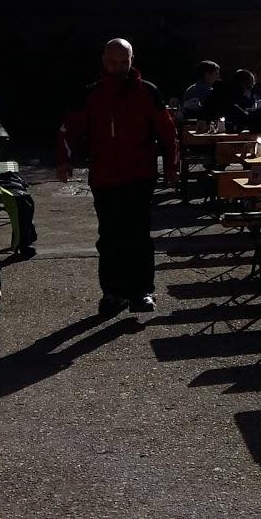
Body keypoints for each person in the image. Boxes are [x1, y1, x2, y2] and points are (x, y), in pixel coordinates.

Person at [57, 38, 178, 316]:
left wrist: (171, 166)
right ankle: (113, 292)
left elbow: (168, 132)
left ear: (132, 60)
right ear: (103, 61)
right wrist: (64, 160)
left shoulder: (148, 92)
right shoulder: (92, 94)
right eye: (113, 62)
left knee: (138, 235)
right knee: (110, 236)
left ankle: (142, 292)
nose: (119, 68)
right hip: (105, 178)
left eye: (124, 62)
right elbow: (69, 130)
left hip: (140, 175)